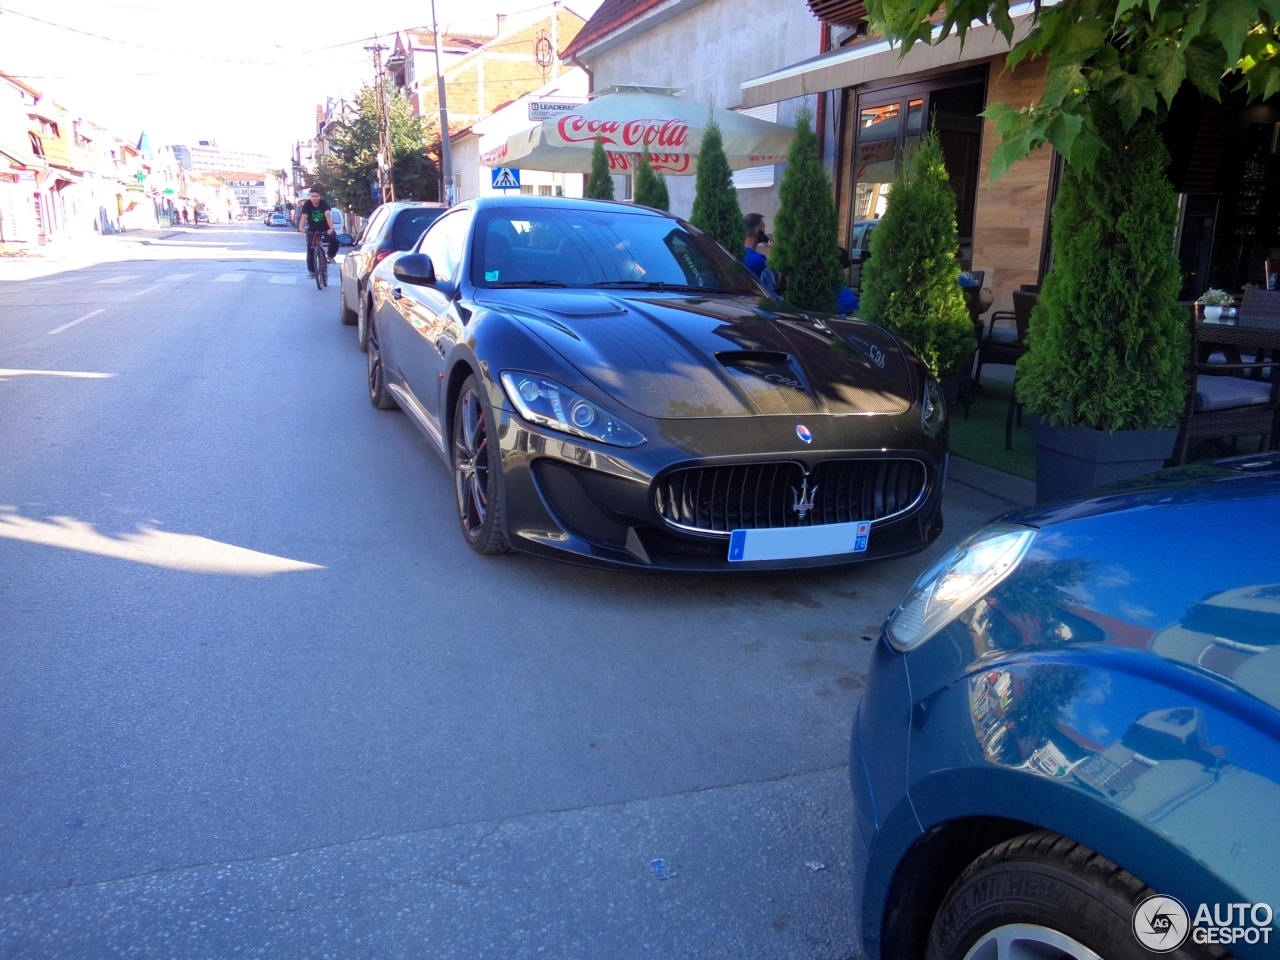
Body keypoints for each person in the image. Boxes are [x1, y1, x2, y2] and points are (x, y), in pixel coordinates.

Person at [297, 187, 337, 277]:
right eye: (312, 196)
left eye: (316, 196)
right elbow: (304, 216)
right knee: (310, 249)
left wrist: (331, 229)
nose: (314, 198)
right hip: (312, 230)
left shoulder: (323, 204)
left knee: (334, 239)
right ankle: (311, 271)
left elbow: (328, 216)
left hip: (325, 229)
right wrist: (301, 228)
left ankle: (330, 255)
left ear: (319, 196)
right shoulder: (307, 204)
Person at [741, 212, 769, 279]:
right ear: (758, 232)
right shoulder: (759, 260)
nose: (765, 231)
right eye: (763, 228)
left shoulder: (735, 253)